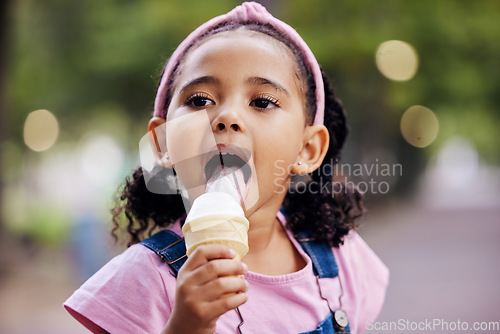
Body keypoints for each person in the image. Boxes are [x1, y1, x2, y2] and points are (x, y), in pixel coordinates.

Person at [64, 2, 389, 333]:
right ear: (162, 143)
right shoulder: (142, 281)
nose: (227, 118)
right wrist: (186, 326)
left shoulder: (339, 255)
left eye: (262, 102)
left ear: (307, 149)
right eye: (200, 100)